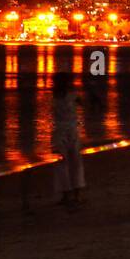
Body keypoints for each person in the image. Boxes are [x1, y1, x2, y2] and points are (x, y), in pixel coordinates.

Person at [51, 71, 85, 208]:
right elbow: (85, 105)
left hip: (62, 132)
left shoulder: (58, 96)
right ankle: (74, 195)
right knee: (73, 162)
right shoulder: (72, 95)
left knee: (64, 164)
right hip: (68, 131)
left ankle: (68, 194)